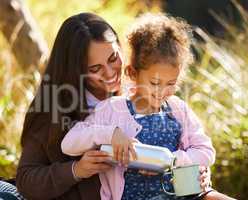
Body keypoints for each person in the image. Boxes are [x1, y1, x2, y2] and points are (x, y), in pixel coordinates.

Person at [15, 12, 232, 200]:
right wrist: (76, 170)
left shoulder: (146, 91)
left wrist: (196, 173)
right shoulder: (56, 109)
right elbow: (27, 180)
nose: (110, 73)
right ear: (75, 69)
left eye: (113, 58)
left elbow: (196, 150)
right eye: (96, 68)